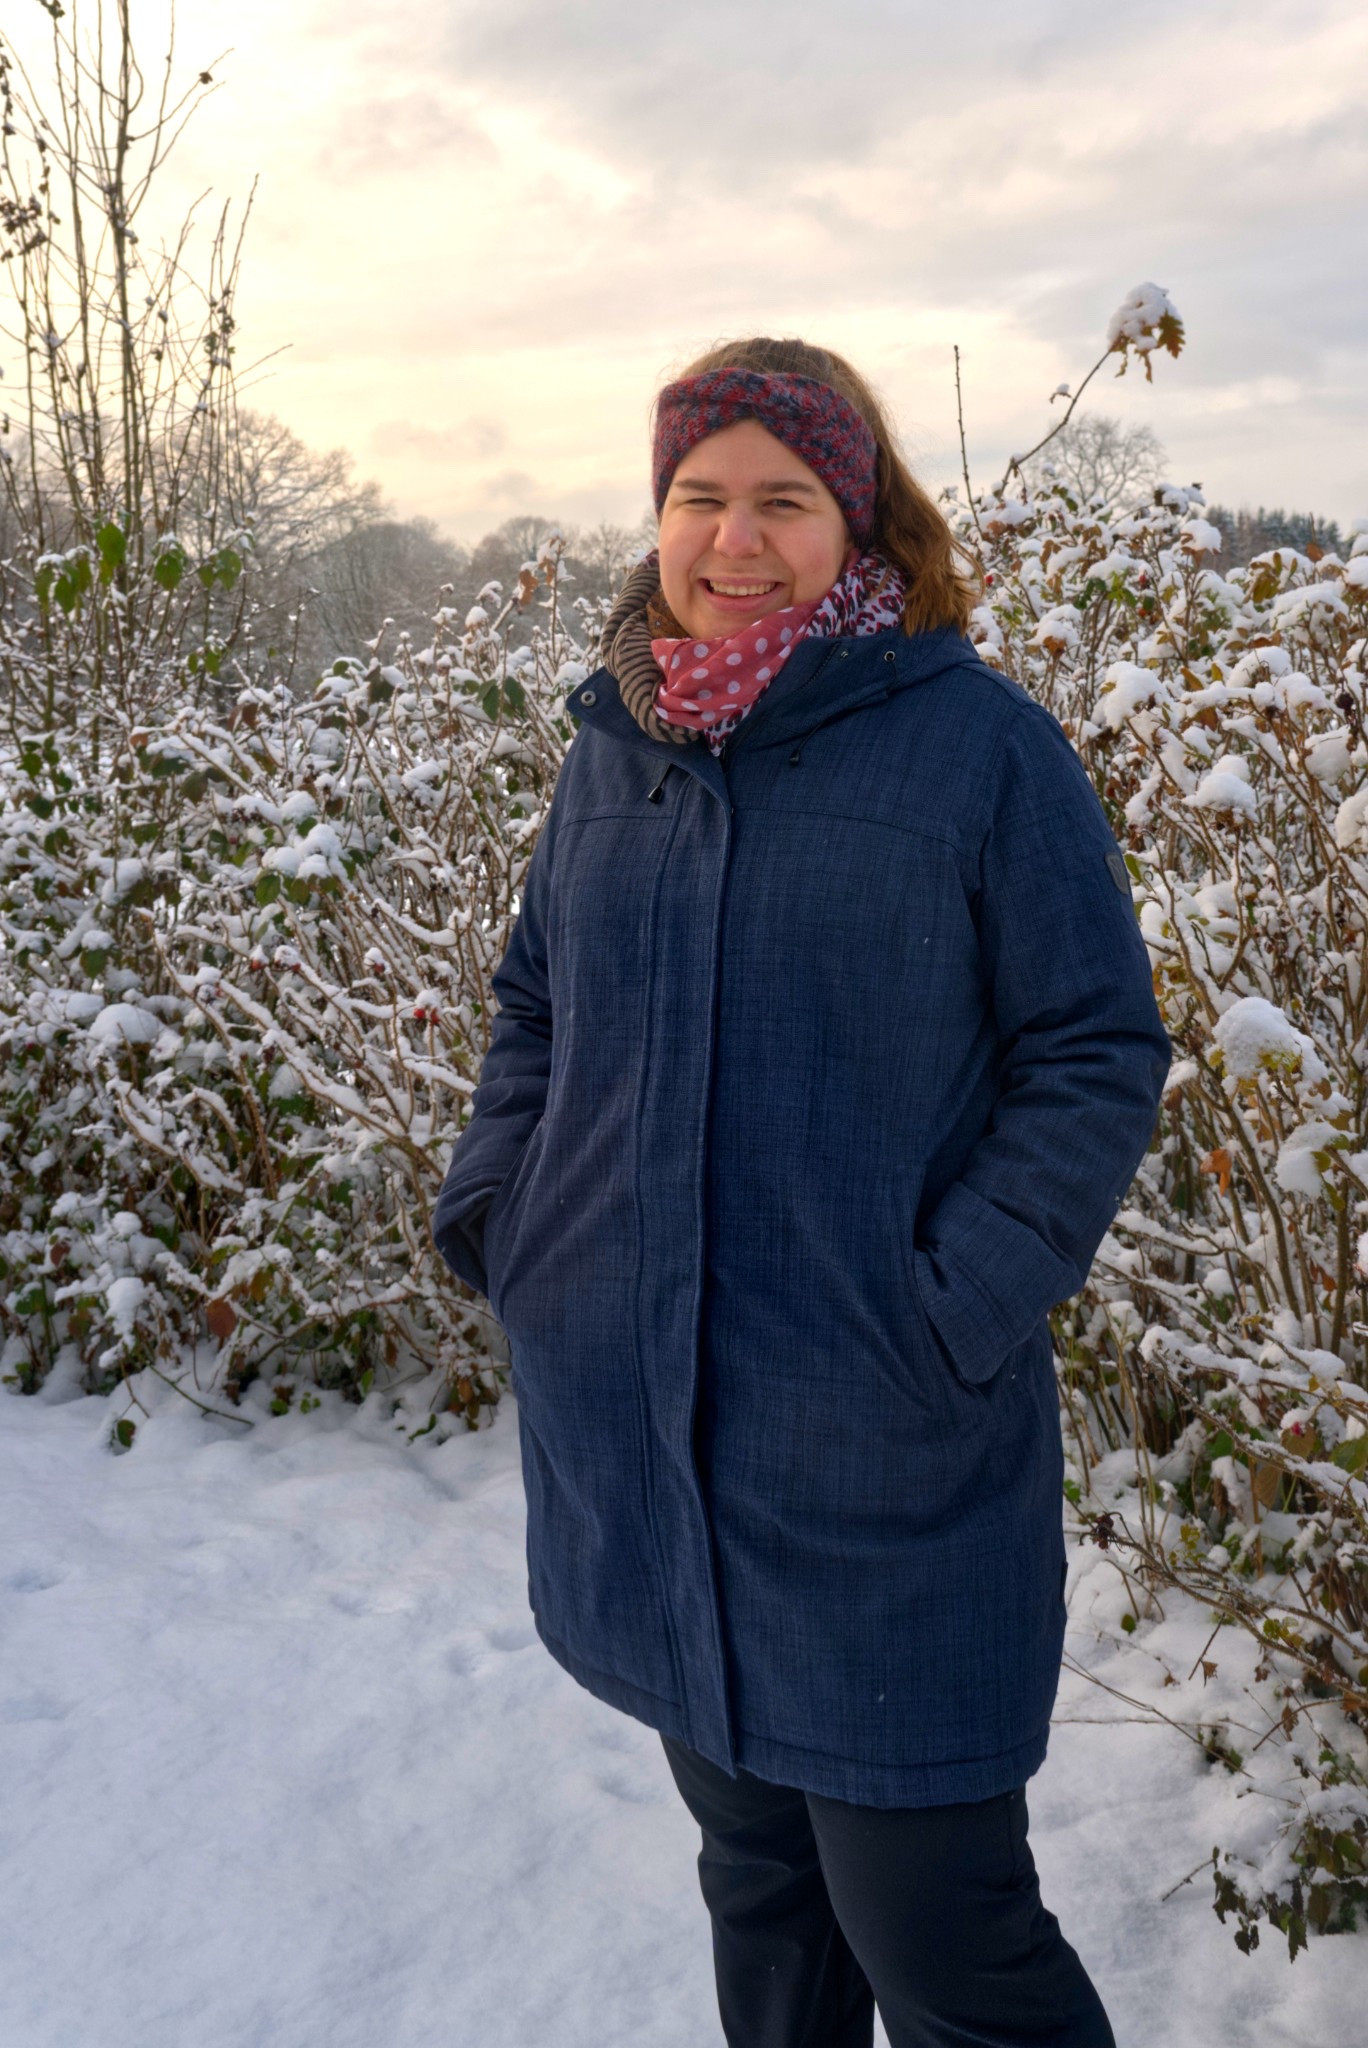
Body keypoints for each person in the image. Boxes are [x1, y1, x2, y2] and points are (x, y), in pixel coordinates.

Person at [433, 337, 1171, 2048]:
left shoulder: (979, 750)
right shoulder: (615, 746)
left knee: (946, 1947)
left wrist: (955, 1306)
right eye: (701, 497)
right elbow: (537, 1002)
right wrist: (510, 1218)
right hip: (643, 1430)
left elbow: (1095, 1049)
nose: (735, 539)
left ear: (863, 519)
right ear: (660, 513)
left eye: (784, 498)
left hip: (878, 1449)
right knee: (761, 1896)